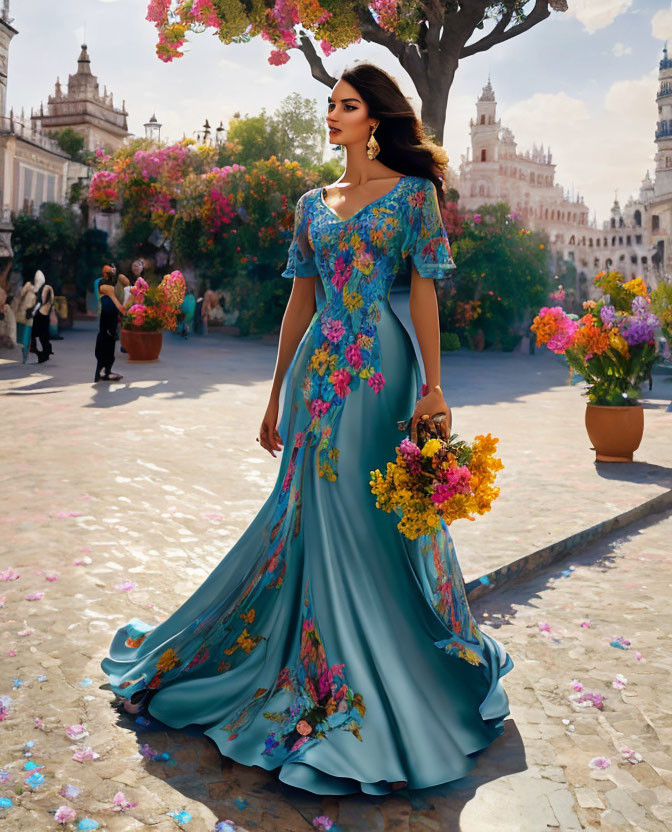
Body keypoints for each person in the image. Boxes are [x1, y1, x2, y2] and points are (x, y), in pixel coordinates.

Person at [101, 63, 513, 795]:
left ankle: (377, 676)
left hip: (383, 373)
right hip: (320, 373)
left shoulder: (415, 197)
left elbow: (422, 296)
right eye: (330, 105)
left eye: (345, 106)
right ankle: (319, 671)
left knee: (371, 514)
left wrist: (436, 387)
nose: (331, 116)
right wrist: (274, 392)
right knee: (311, 513)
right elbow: (299, 303)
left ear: (376, 119)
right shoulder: (310, 205)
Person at [94, 265, 128, 382]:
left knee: (109, 342)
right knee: (106, 341)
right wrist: (123, 310)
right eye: (110, 270)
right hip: (108, 318)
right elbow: (115, 301)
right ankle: (102, 372)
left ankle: (104, 372)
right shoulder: (105, 285)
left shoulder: (110, 285)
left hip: (110, 317)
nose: (113, 271)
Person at [30, 270, 54, 363]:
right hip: (42, 314)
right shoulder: (48, 288)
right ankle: (41, 351)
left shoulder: (46, 287)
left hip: (41, 314)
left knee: (41, 335)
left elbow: (42, 301)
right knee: (39, 335)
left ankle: (45, 353)